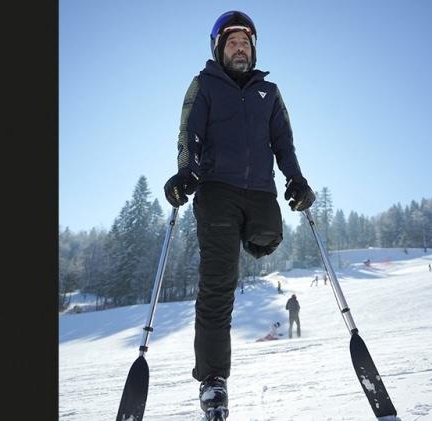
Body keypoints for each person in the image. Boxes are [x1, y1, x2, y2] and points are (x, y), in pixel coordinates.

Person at [162, 10, 316, 418]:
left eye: (245, 43)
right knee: (218, 284)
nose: (239, 48)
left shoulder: (270, 92)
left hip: (261, 192)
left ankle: (251, 238)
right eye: (231, 42)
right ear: (219, 48)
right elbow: (188, 133)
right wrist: (186, 172)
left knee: (267, 238)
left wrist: (297, 181)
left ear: (253, 49)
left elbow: (284, 143)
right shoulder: (205, 85)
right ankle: (213, 381)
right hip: (217, 192)